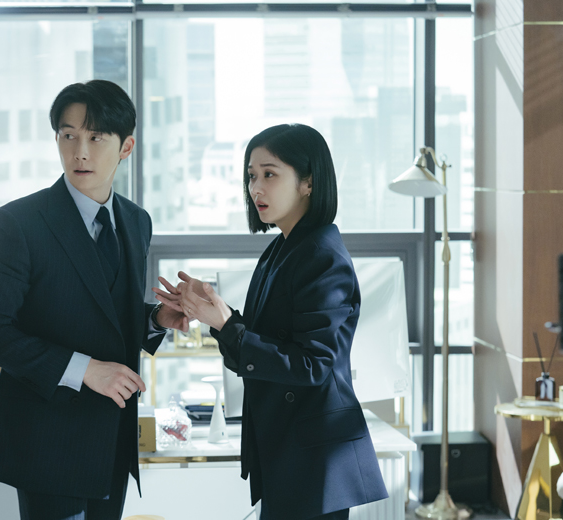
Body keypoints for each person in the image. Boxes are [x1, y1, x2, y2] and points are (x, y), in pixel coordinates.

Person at [0, 79, 189, 520]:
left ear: (126, 147)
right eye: (68, 136)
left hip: (113, 440)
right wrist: (85, 369)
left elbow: (104, 312)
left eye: (95, 137)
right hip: (48, 445)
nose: (79, 152)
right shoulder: (17, 224)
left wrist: (156, 319)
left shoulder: (136, 221)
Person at [154, 124, 388, 520]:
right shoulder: (281, 250)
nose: (256, 188)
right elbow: (258, 350)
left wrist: (227, 324)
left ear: (308, 183)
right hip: (288, 451)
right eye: (251, 176)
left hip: (315, 461)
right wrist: (216, 316)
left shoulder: (321, 256)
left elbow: (314, 365)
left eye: (269, 174)